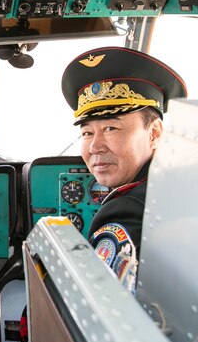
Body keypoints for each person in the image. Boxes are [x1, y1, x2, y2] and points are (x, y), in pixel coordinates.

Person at [60, 47, 187, 292]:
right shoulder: (175, 184)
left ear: (155, 133)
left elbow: (96, 304)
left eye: (111, 128)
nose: (95, 146)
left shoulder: (128, 211)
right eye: (87, 133)